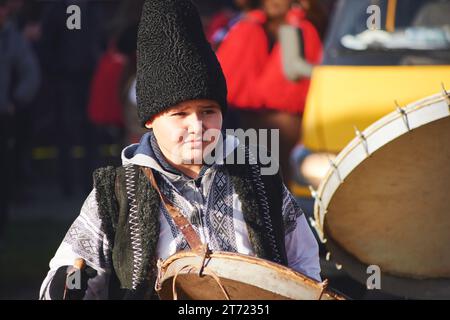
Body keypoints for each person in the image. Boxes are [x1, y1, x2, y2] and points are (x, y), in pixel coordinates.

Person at [40, 0, 320, 300]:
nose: (197, 126)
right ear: (150, 118)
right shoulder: (115, 194)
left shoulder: (259, 181)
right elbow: (69, 269)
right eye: (179, 114)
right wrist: (69, 283)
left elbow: (303, 265)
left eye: (208, 111)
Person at [0, 0, 40, 243]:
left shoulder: (11, 38)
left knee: (4, 173)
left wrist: (15, 100)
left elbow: (30, 72)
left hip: (3, 116)